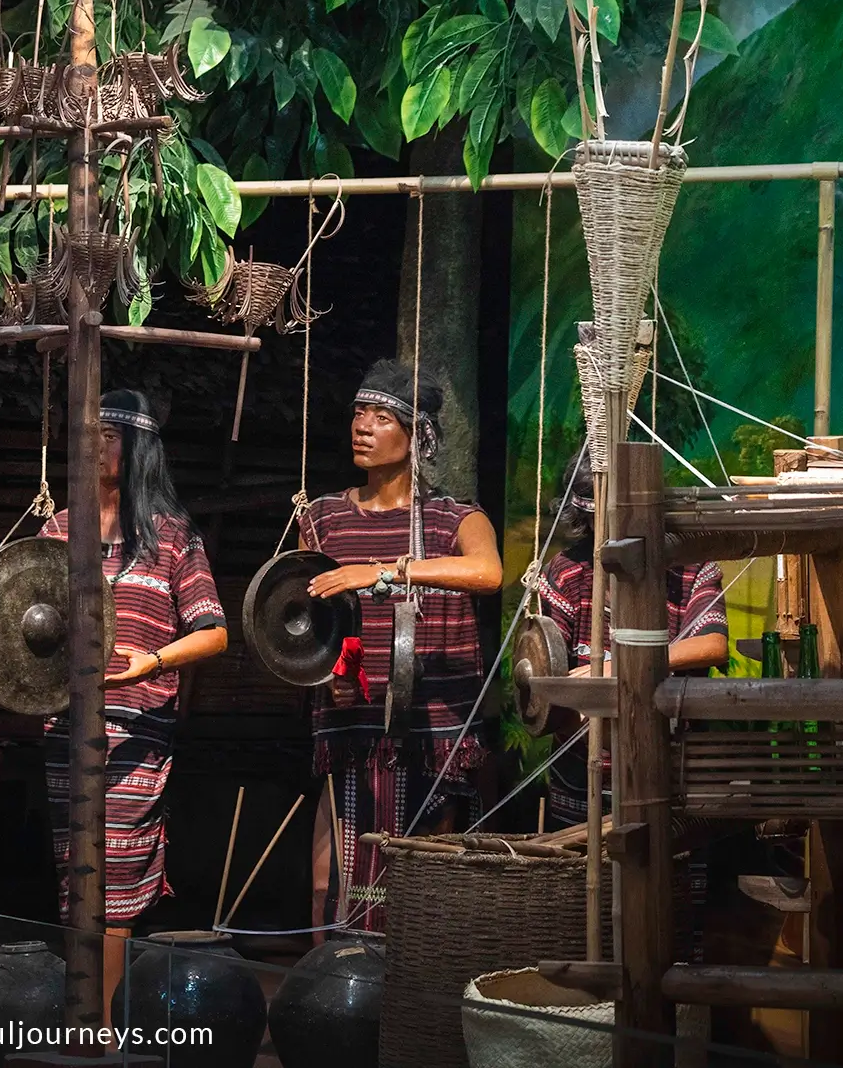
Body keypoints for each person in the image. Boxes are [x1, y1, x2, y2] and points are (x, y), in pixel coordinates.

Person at [40, 389, 229, 1019]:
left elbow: (213, 631)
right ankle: (79, 1023)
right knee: (76, 881)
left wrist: (153, 660)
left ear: (139, 447)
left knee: (111, 880)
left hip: (138, 731)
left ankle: (100, 1029)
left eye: (109, 436)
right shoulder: (60, 530)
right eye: (89, 433)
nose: (94, 445)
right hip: (67, 726)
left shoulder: (173, 537)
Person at [301, 359, 503, 934]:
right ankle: (331, 999)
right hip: (351, 722)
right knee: (330, 884)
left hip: (430, 731)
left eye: (382, 416)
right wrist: (326, 673)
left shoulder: (454, 518)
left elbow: (488, 573)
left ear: (419, 438)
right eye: (358, 413)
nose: (361, 426)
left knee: (419, 889)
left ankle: (412, 1012)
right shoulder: (324, 517)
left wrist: (380, 571)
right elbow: (305, 616)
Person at [533, 448, 729, 830]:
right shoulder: (565, 572)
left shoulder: (692, 569)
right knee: (580, 879)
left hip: (671, 769)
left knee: (671, 877)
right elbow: (548, 667)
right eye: (602, 526)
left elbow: (711, 645)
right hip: (583, 775)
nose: (615, 538)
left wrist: (610, 666)